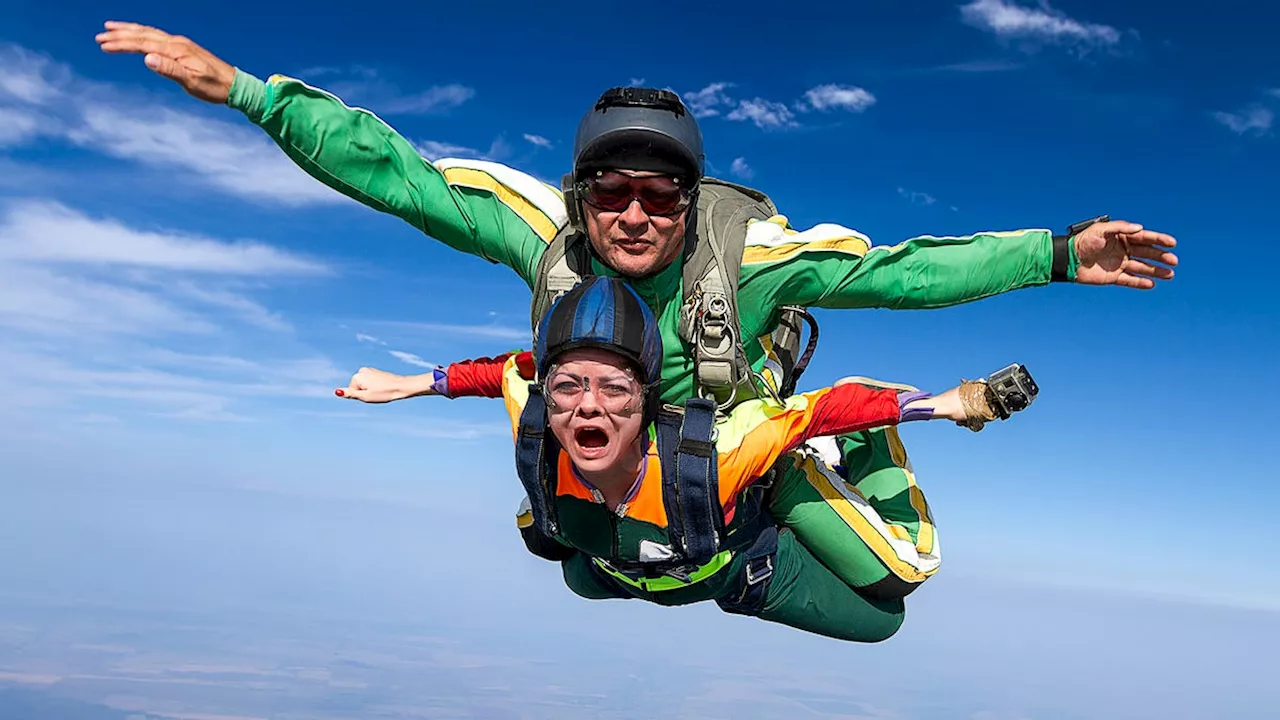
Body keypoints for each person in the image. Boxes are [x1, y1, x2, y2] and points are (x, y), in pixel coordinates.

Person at [93, 21, 1177, 592]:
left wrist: (1052, 252)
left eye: (661, 189)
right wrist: (251, 95)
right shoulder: (542, 235)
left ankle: (868, 445)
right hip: (618, 444)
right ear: (578, 193)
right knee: (568, 557)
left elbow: (900, 270)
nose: (633, 211)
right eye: (607, 187)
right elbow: (400, 177)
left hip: (738, 436)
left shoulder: (750, 261)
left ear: (689, 195)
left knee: (885, 582)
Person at [357, 275, 1031, 641]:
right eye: (568, 388)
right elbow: (509, 369)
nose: (587, 407)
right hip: (618, 565)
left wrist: (952, 402)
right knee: (556, 550)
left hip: (740, 562)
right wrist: (412, 384)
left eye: (615, 389)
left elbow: (828, 407)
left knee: (894, 596)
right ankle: (764, 393)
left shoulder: (720, 454)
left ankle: (795, 451)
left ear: (647, 398)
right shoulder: (534, 412)